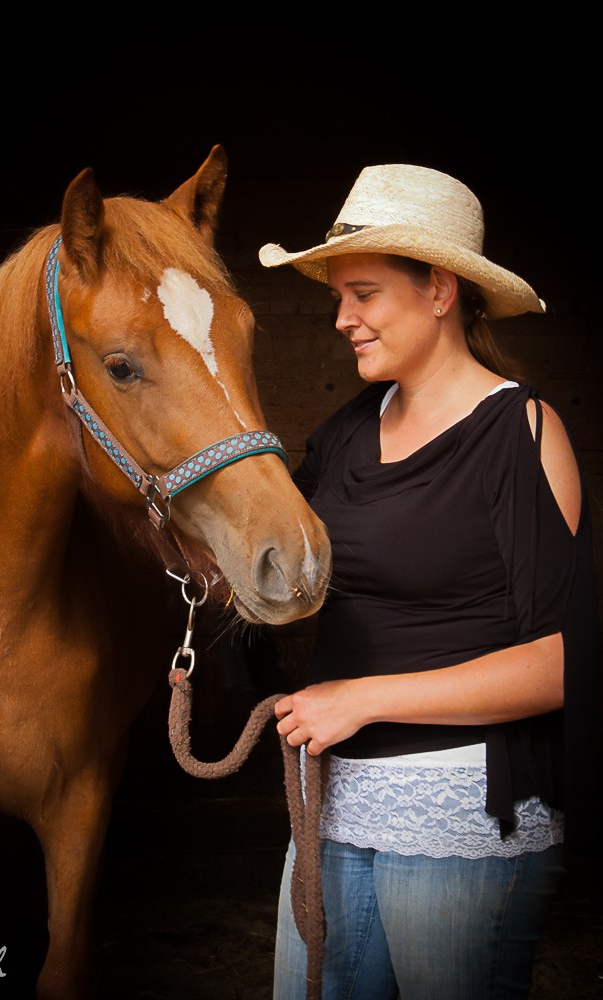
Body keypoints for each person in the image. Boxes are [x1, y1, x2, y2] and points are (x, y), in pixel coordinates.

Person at [258, 164, 598, 1000]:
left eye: (364, 294)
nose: (342, 320)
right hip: (334, 803)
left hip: (461, 810)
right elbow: (270, 575)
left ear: (440, 290)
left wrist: (363, 698)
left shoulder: (518, 431)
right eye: (339, 298)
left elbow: (564, 664)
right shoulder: (342, 434)